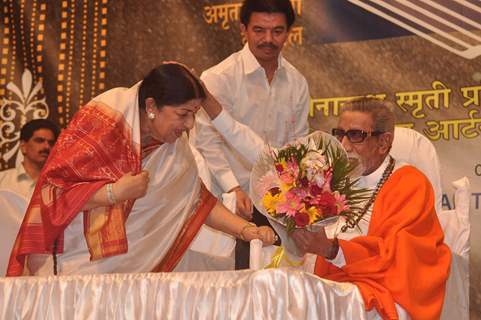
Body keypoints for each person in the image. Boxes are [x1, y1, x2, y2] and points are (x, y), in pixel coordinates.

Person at [6, 63, 275, 277]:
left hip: (132, 273)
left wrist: (245, 230)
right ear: (151, 107)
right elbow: (53, 191)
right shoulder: (104, 121)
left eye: (194, 113)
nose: (190, 124)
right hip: (74, 267)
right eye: (183, 114)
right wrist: (112, 193)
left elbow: (197, 202)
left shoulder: (173, 149)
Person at [200, 96, 451, 319]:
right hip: (324, 277)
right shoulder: (330, 173)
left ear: (384, 142)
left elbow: (400, 258)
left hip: (376, 287)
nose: (344, 145)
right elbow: (266, 157)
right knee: (263, 287)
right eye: (340, 134)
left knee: (296, 294)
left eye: (355, 135)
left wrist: (333, 250)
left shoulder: (409, 183)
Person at [192, 0, 310, 269]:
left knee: (276, 284)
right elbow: (207, 141)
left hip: (279, 204)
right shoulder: (219, 77)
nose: (268, 39)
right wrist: (232, 187)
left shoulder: (297, 82)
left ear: (288, 32)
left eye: (277, 31)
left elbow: (298, 143)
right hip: (229, 201)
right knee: (231, 281)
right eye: (259, 30)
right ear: (243, 29)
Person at [0, 119, 59, 199]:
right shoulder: (2, 180)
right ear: (23, 146)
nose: (47, 146)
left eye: (51, 143)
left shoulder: (59, 185)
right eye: (39, 141)